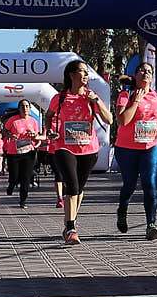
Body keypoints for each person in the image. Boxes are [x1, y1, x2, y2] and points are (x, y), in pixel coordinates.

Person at [46, 61, 110, 243]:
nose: (86, 76)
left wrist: (96, 101)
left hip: (88, 149)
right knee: (72, 186)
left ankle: (71, 221)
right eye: (82, 72)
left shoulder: (91, 97)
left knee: (79, 189)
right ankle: (71, 227)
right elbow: (49, 116)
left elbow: (110, 120)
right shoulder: (59, 98)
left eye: (87, 73)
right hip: (64, 147)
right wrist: (49, 130)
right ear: (71, 75)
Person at [114, 65, 157, 238]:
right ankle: (122, 210)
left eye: (149, 71)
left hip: (151, 146)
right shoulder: (125, 95)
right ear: (135, 75)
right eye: (142, 70)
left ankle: (151, 224)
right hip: (126, 148)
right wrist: (136, 101)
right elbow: (123, 121)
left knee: (150, 183)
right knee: (130, 184)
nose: (146, 72)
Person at [2, 100, 45, 208]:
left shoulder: (34, 121)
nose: (25, 108)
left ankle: (23, 200)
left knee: (26, 177)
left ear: (30, 108)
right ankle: (11, 184)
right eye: (22, 106)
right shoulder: (13, 120)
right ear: (19, 108)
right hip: (14, 152)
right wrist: (11, 135)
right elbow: (4, 131)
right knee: (15, 176)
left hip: (29, 152)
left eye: (27, 106)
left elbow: (37, 135)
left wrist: (34, 135)